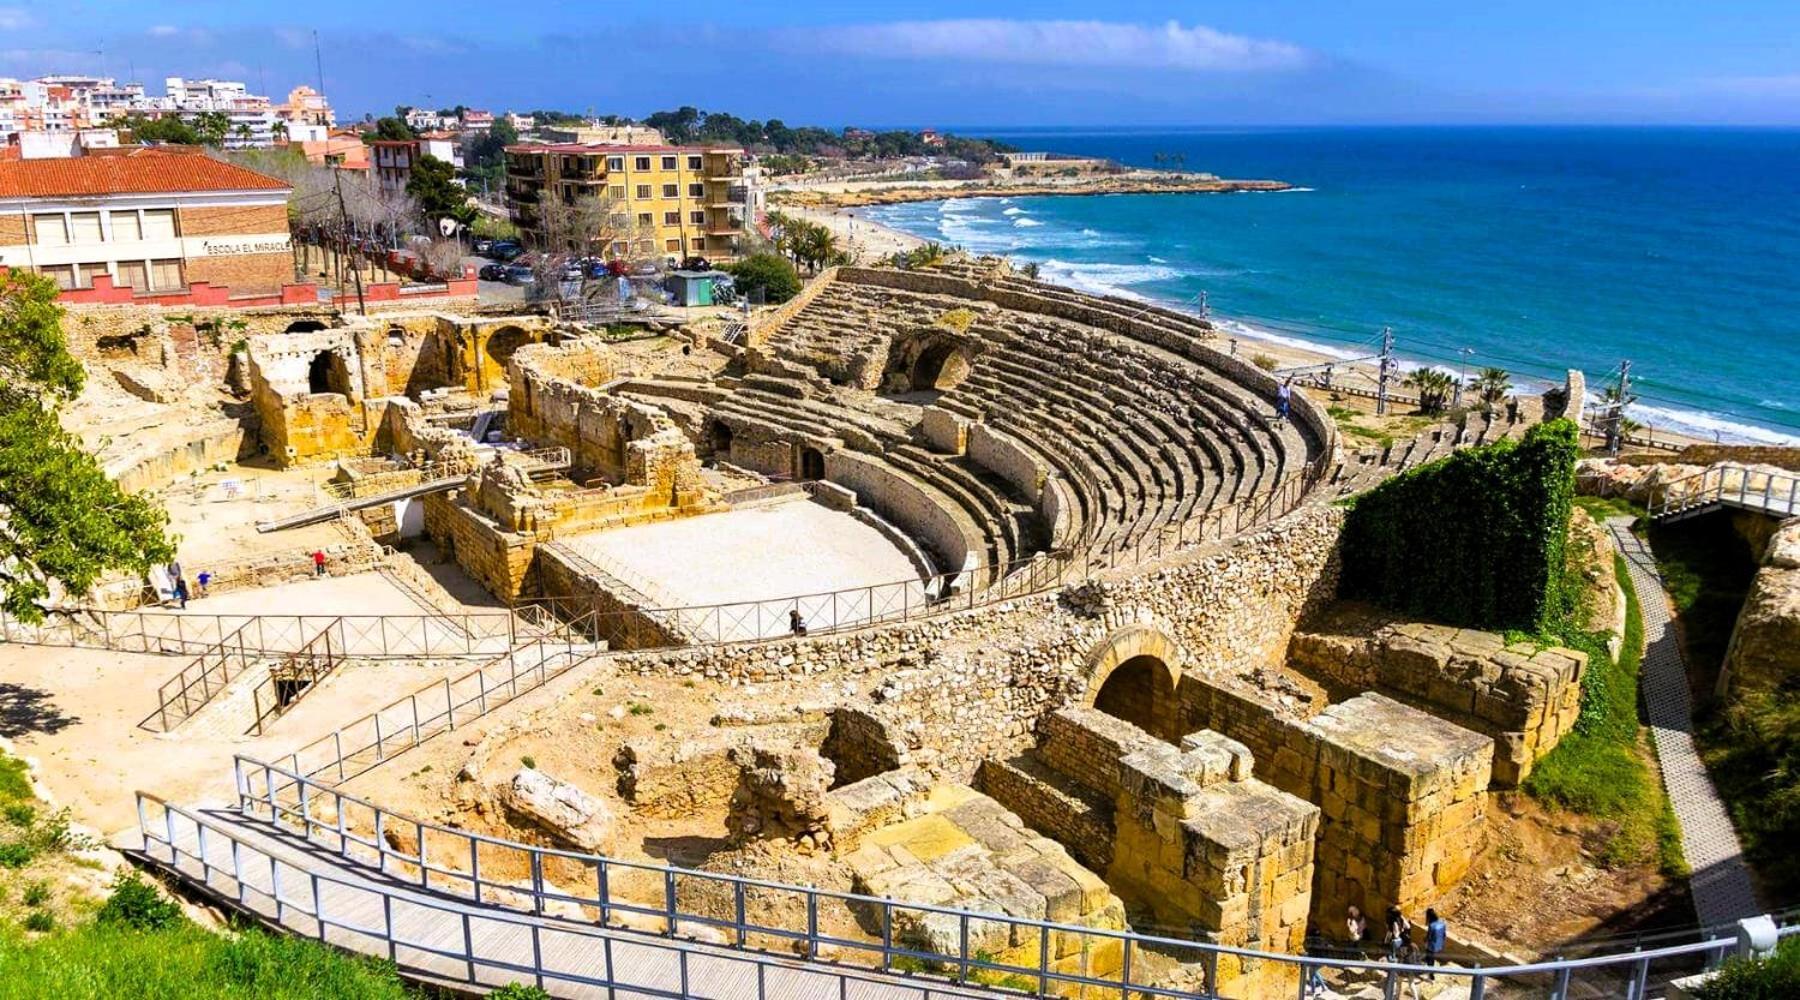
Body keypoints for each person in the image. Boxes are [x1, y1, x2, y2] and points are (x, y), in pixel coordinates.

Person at [1423, 908, 1447, 978]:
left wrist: (1424, 940)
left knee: (1431, 958)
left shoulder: (1431, 925)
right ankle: (1427, 962)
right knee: (1430, 956)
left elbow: (1429, 937)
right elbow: (1444, 934)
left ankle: (1431, 973)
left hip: (1432, 945)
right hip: (1439, 943)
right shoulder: (1442, 922)